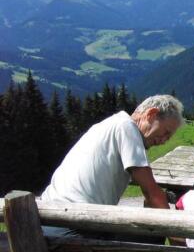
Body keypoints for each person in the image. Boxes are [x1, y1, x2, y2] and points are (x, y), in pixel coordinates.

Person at [41, 94, 184, 232]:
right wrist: (176, 236)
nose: (165, 140)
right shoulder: (127, 127)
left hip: (50, 216)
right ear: (151, 114)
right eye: (166, 132)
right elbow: (151, 192)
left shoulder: (110, 124)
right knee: (151, 233)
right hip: (75, 223)